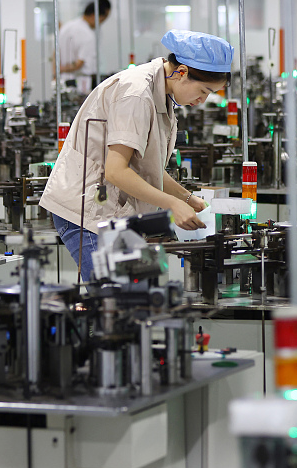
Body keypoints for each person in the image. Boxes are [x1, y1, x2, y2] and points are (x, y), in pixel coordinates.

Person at [41, 29, 233, 281]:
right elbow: (116, 171)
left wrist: (186, 198)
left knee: (138, 299)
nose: (203, 99)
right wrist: (173, 205)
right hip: (89, 214)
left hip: (114, 213)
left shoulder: (162, 94)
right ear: (183, 72)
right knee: (116, 303)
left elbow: (147, 168)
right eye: (205, 91)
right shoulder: (136, 94)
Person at [58, 0, 111, 94]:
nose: (100, 24)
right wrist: (62, 69)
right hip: (81, 83)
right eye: (102, 20)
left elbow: (55, 53)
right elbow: (79, 64)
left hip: (62, 81)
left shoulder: (66, 27)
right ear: (94, 15)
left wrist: (57, 70)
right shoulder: (87, 34)